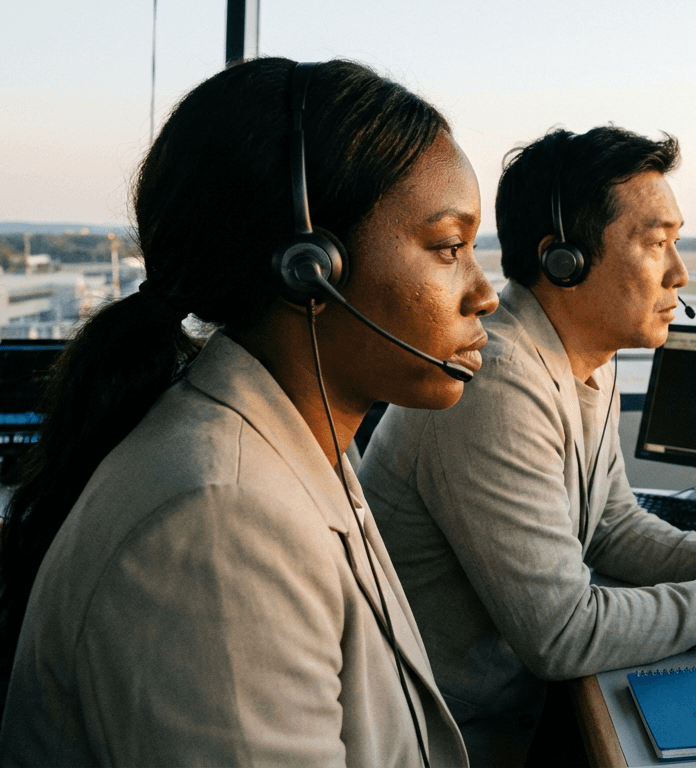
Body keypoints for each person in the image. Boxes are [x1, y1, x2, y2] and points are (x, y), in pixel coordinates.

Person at [0, 58, 497, 765]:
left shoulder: (294, 446)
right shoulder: (221, 521)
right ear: (310, 266)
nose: (485, 293)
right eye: (449, 247)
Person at [359, 125, 696, 764]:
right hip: (452, 742)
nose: (680, 273)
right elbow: (560, 633)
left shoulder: (587, 358)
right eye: (656, 243)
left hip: (518, 712)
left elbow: (611, 524)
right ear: (567, 259)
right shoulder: (497, 381)